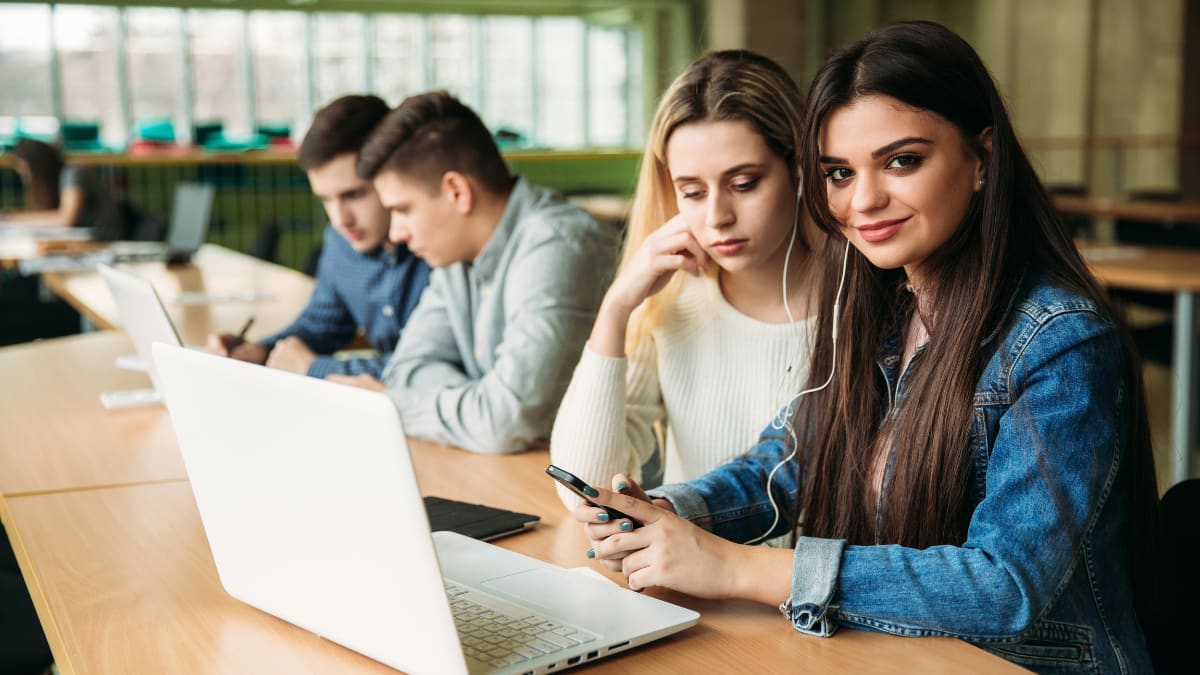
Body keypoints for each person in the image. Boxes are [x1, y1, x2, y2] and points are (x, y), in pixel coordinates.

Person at [576, 21, 1159, 674]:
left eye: (902, 160)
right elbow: (786, 464)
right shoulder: (880, 309)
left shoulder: (1061, 340)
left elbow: (1006, 583)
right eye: (838, 173)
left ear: (981, 159)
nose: (864, 199)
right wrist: (665, 511)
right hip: (895, 654)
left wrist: (738, 566)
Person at [549, 50, 819, 504]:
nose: (717, 217)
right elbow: (583, 493)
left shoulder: (864, 301)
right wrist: (616, 309)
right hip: (683, 573)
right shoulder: (671, 302)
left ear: (797, 168)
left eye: (744, 183)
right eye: (692, 192)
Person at [333, 91, 619, 455]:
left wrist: (394, 403)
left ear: (456, 192)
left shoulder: (557, 244)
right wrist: (479, 402)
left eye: (403, 209)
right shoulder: (454, 255)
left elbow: (503, 422)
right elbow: (407, 369)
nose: (396, 233)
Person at [206, 95, 431, 378]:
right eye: (326, 199)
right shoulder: (341, 242)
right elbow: (321, 327)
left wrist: (314, 367)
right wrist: (261, 353)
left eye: (354, 194)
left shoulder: (439, 246)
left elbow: (433, 371)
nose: (340, 219)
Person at [1, 138, 121, 238]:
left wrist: (11, 219)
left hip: (103, 242)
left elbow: (65, 219)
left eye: (25, 169)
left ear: (38, 165)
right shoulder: (54, 184)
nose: (24, 175)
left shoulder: (73, 173)